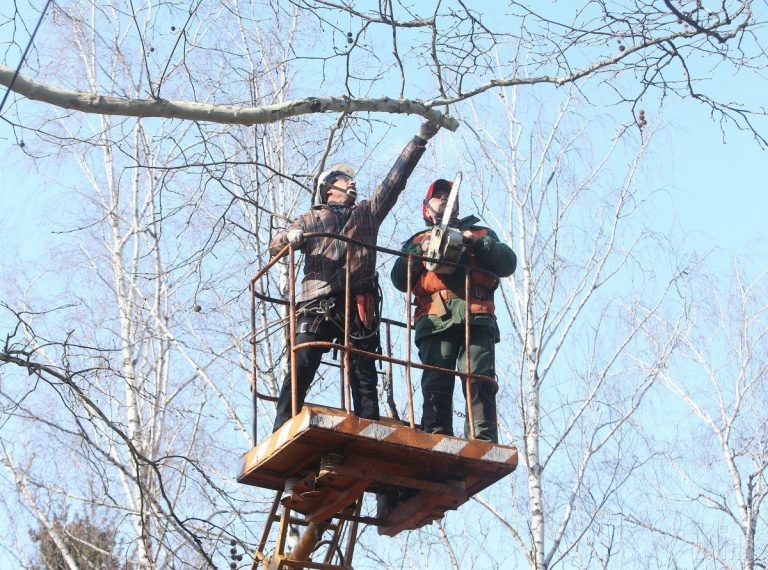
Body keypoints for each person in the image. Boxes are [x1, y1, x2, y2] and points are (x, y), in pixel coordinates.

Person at [269, 120, 441, 432]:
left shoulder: (367, 214)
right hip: (318, 302)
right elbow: (276, 244)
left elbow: (394, 182)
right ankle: (282, 425)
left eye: (352, 180)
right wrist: (289, 237)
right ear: (328, 189)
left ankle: (369, 425)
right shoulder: (310, 219)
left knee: (364, 370)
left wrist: (419, 140)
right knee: (303, 360)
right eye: (343, 180)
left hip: (358, 302)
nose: (352, 183)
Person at [390, 178, 516, 443]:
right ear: (426, 208)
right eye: (439, 196)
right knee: (437, 377)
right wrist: (419, 253)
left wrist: (477, 245)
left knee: (478, 377)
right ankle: (436, 434)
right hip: (436, 319)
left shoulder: (480, 234)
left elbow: (508, 262)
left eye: (451, 196)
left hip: (477, 316)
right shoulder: (417, 241)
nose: (446, 199)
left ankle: (482, 439)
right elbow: (399, 278)